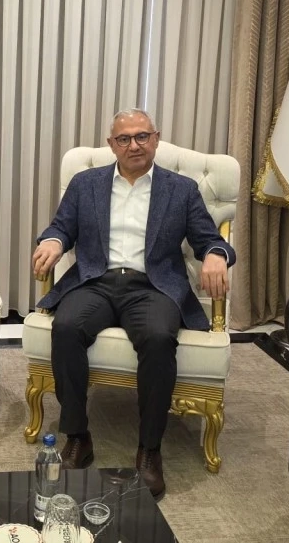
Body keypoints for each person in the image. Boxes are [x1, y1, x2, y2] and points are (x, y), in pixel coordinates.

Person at [30, 108, 234, 500]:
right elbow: (61, 227)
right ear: (112, 145)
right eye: (124, 139)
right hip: (96, 281)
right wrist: (53, 241)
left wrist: (215, 254)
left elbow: (209, 238)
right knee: (66, 327)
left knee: (158, 338)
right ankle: (78, 436)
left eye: (142, 136)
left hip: (152, 286)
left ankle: (149, 449)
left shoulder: (181, 189)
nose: (134, 145)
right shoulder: (86, 183)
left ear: (156, 139)